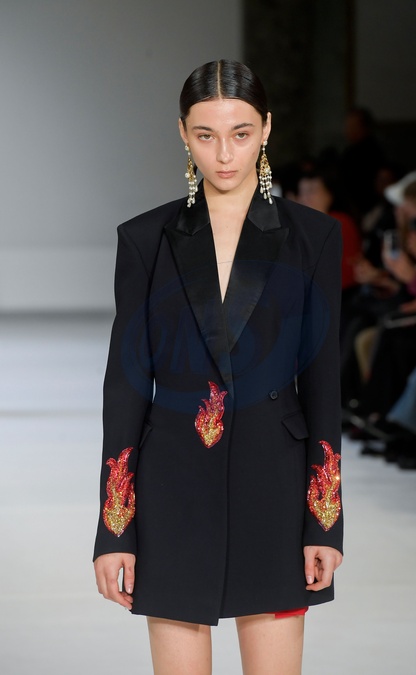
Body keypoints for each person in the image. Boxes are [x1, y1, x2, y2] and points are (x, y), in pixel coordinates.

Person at [93, 60, 343, 675]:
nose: (224, 154)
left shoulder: (312, 237)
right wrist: (114, 528)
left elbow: (323, 384)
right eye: (206, 135)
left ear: (266, 130)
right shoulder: (145, 240)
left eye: (241, 133)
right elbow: (126, 385)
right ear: (183, 132)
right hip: (172, 484)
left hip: (277, 485)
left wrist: (325, 523)